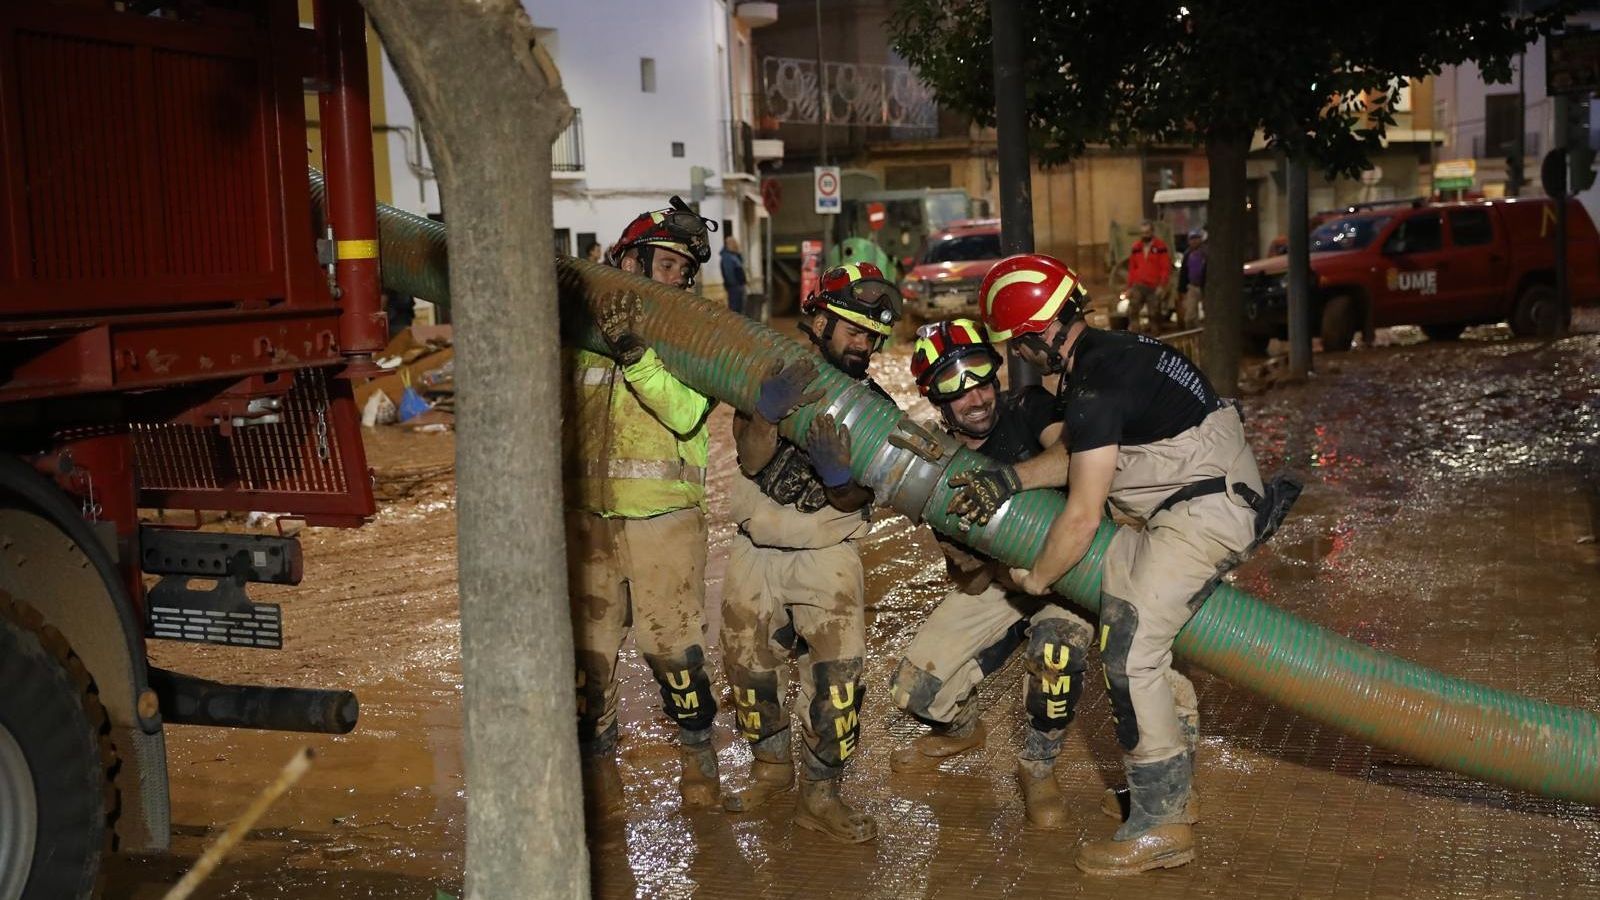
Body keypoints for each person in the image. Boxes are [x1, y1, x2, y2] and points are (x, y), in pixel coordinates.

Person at [948, 253, 1298, 875]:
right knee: (1129, 621)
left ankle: (1162, 827)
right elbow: (1091, 458)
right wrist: (1011, 479)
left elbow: (1081, 516)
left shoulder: (1093, 383)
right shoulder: (1109, 355)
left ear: (1035, 335)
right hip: (1189, 497)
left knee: (1130, 650)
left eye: (1018, 345)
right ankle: (1176, 792)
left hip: (1201, 513)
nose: (1021, 357)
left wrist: (1035, 580)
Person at [719, 262, 901, 844]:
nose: (864, 343)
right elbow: (749, 459)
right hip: (754, 550)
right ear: (818, 320)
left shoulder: (875, 409)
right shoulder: (772, 380)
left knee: (838, 684)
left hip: (827, 554)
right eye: (853, 329)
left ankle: (820, 795)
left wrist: (839, 477)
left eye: (871, 335)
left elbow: (859, 496)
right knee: (749, 673)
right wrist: (767, 413)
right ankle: (771, 768)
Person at [887, 319, 1094, 829]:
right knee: (914, 688)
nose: (975, 397)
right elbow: (974, 583)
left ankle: (1037, 767)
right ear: (935, 398)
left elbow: (1074, 459)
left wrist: (1009, 481)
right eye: (955, 388)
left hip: (1069, 579)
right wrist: (968, 560)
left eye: (980, 379)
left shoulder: (1028, 408)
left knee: (1056, 656)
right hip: (1004, 586)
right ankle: (961, 727)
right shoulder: (941, 462)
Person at [564, 197, 722, 819]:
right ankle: (601, 793)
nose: (675, 279)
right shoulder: (579, 333)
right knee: (588, 668)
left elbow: (685, 414)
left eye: (684, 270)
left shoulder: (694, 335)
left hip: (663, 519)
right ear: (628, 259)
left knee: (675, 654)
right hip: (586, 522)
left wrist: (638, 355)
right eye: (664, 264)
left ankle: (698, 768)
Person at [1123, 221, 1171, 333]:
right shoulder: (1136, 247)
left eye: (1147, 232)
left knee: (1154, 314)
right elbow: (1132, 269)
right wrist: (1129, 287)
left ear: (1152, 232)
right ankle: (1135, 336)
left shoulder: (1160, 247)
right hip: (1138, 285)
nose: (1145, 235)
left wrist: (1162, 285)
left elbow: (1165, 267)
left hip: (1154, 286)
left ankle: (1156, 337)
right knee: (1133, 311)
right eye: (1143, 233)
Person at [1179, 229, 1206, 330]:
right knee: (1190, 317)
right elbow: (1183, 273)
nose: (1194, 241)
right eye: (1192, 239)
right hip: (1192, 286)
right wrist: (1182, 290)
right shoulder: (1187, 254)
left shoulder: (1206, 253)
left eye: (1196, 238)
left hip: (1205, 287)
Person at [720, 235, 748, 316]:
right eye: (733, 243)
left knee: (739, 309)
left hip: (737, 286)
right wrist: (735, 285)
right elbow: (729, 273)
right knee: (735, 309)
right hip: (735, 287)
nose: (736, 245)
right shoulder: (728, 257)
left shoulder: (733, 255)